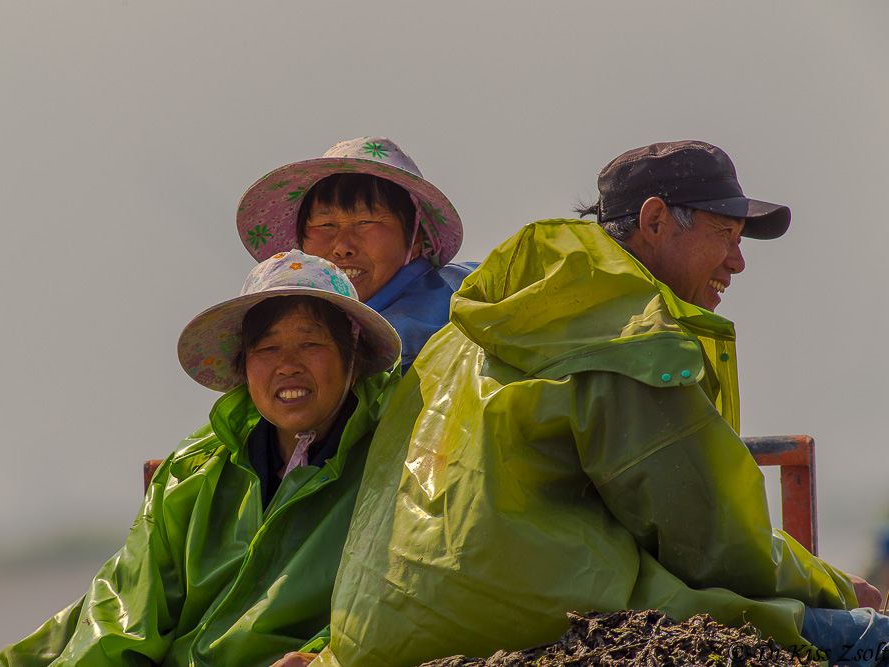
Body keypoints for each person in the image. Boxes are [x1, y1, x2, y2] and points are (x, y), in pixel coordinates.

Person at [310, 142, 888, 667]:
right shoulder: (622, 331)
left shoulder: (467, 329)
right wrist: (833, 585)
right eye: (724, 235)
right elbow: (711, 541)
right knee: (873, 641)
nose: (737, 261)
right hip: (521, 616)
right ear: (655, 220)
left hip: (382, 634)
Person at [0, 250, 401, 667]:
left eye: (310, 343)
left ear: (353, 356)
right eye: (267, 348)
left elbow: (398, 598)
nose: (287, 365)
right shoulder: (192, 474)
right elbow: (123, 614)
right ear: (244, 363)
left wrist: (323, 656)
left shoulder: (394, 466)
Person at [237, 136, 475, 374]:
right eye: (325, 225)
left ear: (416, 240)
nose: (342, 246)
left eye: (365, 222)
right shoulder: (472, 276)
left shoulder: (389, 347)